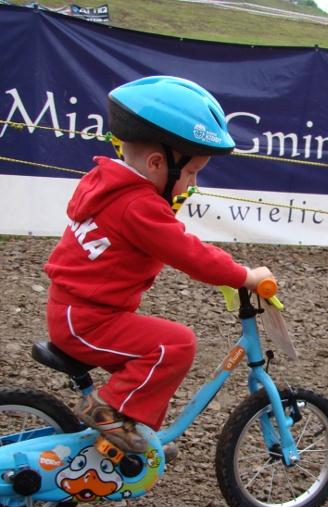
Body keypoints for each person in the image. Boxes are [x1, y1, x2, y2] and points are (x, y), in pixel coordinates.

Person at [44, 75, 273, 454]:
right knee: (174, 343)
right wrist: (245, 275)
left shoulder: (106, 181)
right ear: (156, 163)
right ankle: (109, 419)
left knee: (151, 353)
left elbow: (177, 245)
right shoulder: (138, 205)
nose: (193, 184)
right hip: (87, 321)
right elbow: (188, 252)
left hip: (74, 313)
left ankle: (130, 432)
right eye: (192, 172)